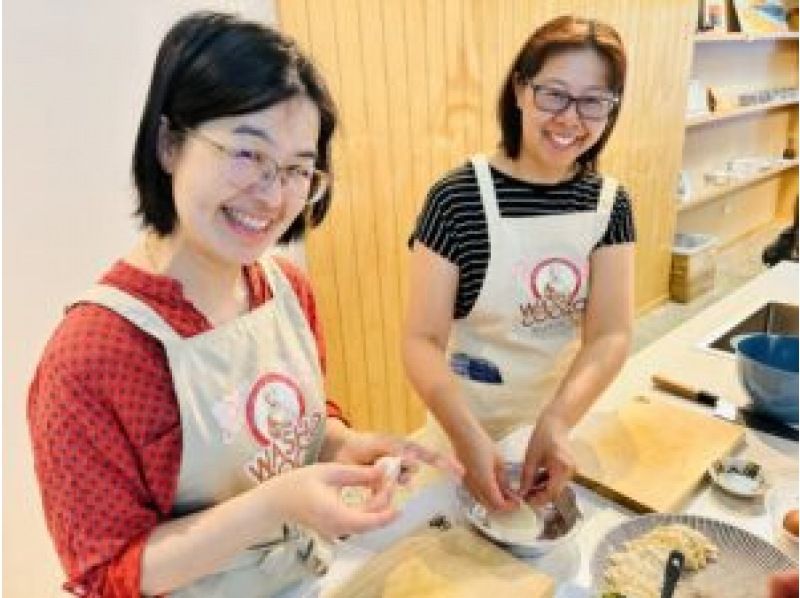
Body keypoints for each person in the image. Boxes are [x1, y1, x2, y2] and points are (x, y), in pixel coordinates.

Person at [28, 12, 458, 597]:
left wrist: (345, 446)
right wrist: (272, 505)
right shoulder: (92, 355)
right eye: (247, 154)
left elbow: (294, 427)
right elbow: (107, 573)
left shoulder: (284, 288)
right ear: (169, 143)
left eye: (298, 169)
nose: (274, 195)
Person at [403, 16, 634, 513]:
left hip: (558, 423)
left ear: (611, 108)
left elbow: (610, 333)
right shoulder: (457, 198)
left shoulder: (610, 204)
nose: (570, 119)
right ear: (520, 91)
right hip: (464, 426)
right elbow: (420, 340)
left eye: (593, 101)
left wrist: (558, 420)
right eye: (554, 94)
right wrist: (466, 436)